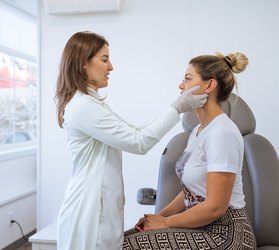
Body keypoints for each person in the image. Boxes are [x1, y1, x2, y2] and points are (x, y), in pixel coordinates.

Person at [55, 31, 208, 250]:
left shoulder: (91, 104)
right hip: (88, 211)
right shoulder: (83, 107)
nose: (111, 67)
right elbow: (139, 142)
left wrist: (177, 108)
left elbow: (136, 132)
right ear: (83, 64)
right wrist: (177, 107)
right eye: (105, 59)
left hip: (97, 206)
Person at [123, 52, 257, 250]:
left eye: (187, 78)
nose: (181, 86)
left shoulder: (222, 133)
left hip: (226, 234)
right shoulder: (198, 131)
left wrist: (166, 223)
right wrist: (160, 216)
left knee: (128, 246)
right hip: (200, 226)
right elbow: (189, 194)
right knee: (118, 241)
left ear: (210, 85)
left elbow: (216, 207)